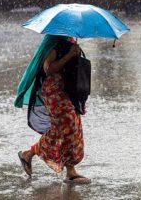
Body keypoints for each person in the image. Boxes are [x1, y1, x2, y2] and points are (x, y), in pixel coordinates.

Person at [14, 35, 91, 184]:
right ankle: (28, 153)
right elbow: (48, 69)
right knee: (63, 127)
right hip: (54, 92)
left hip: (67, 91)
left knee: (74, 127)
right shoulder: (54, 44)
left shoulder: (69, 42)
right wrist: (69, 55)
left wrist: (74, 52)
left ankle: (70, 171)